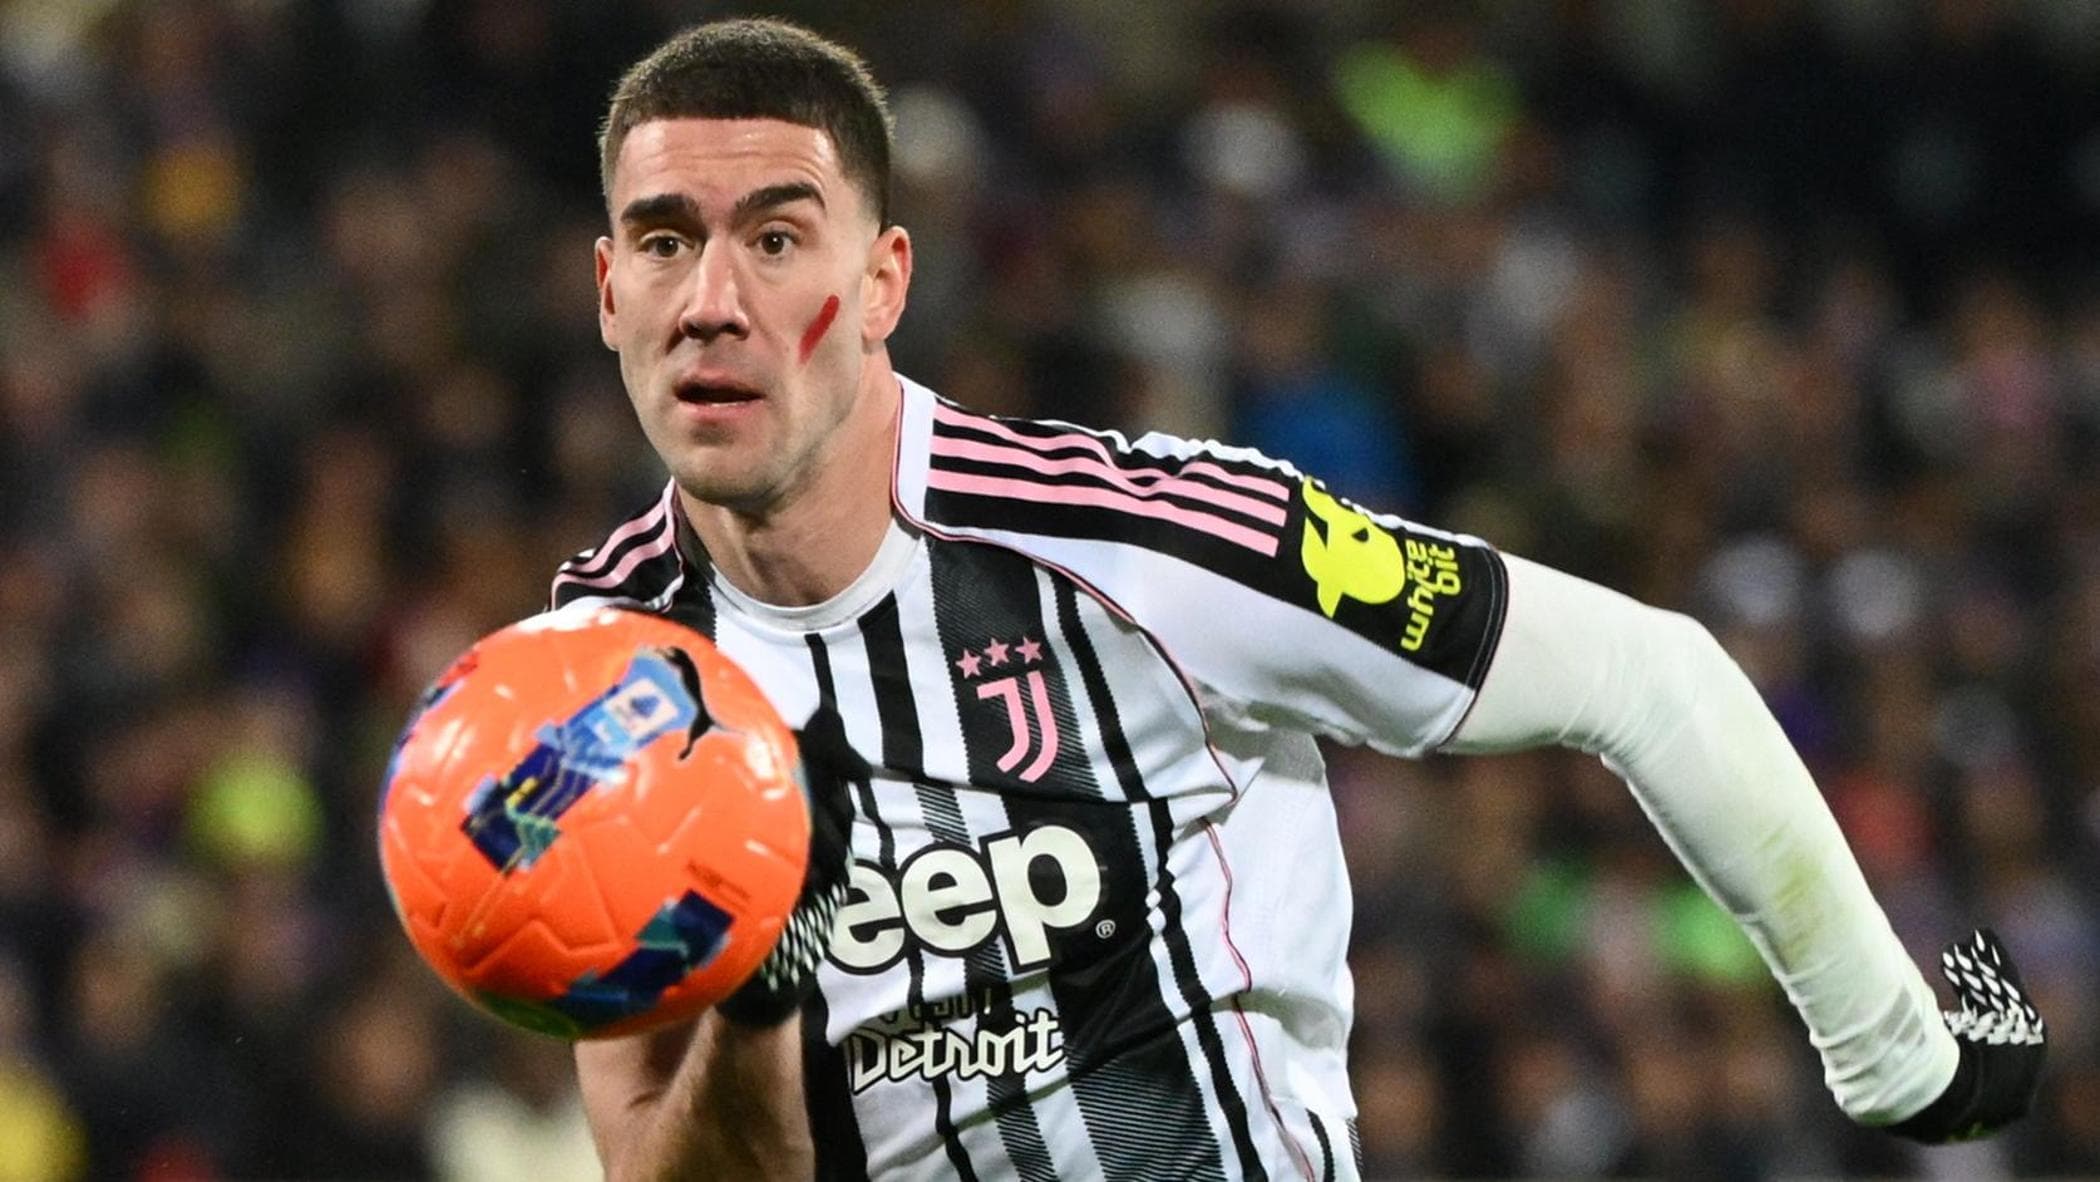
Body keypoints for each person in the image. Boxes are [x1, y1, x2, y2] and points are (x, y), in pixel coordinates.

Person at [552, 17, 2045, 1181]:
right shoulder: (590, 691)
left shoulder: (1145, 540)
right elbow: (659, 1163)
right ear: (610, 290)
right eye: (668, 241)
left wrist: (1899, 1056)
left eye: (777, 237)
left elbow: (1650, 674)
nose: (713, 302)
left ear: (884, 281)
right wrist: (763, 991)